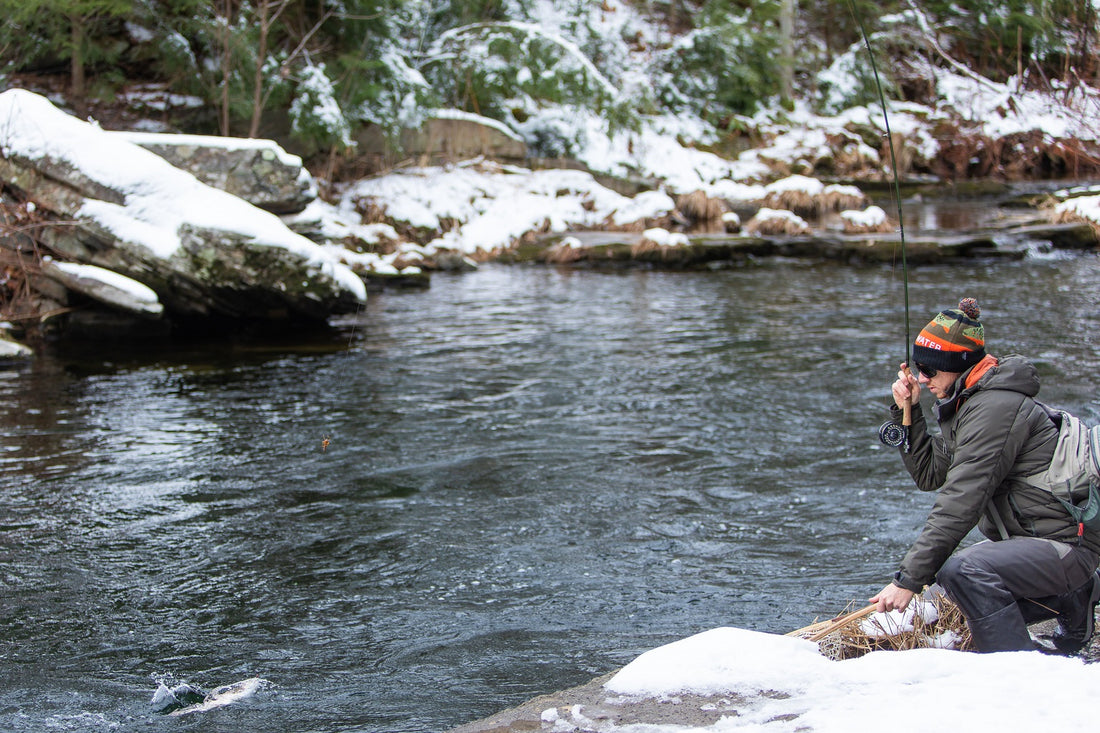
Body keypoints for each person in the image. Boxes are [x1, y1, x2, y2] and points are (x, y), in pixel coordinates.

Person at [869, 297, 1100, 653]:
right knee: (955, 586)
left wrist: (907, 580)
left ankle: (1013, 665)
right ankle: (1074, 597)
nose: (922, 378)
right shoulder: (969, 401)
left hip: (1066, 548)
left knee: (963, 572)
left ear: (958, 365)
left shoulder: (994, 410)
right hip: (1037, 543)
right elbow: (929, 475)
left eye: (930, 370)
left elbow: (961, 501)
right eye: (919, 369)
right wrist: (909, 411)